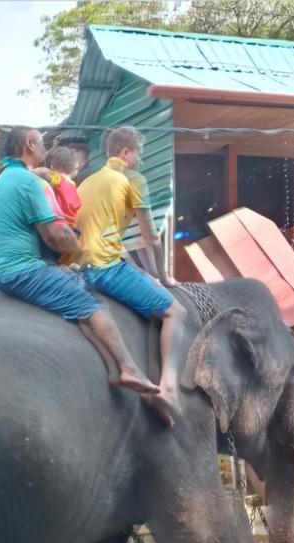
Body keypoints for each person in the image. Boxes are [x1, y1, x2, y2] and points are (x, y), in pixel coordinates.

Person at [0, 126, 159, 398]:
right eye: (41, 142)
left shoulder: (5, 179)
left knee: (76, 302)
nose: (44, 147)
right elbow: (55, 234)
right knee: (95, 305)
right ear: (29, 144)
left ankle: (113, 369)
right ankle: (129, 367)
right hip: (24, 270)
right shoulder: (30, 183)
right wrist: (78, 245)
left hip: (4, 268)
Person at [67, 126, 187, 426]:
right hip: (103, 269)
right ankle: (170, 389)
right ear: (125, 152)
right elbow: (152, 238)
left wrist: (143, 275)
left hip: (77, 269)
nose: (139, 160)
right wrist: (164, 276)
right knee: (175, 312)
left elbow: (109, 240)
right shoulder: (132, 179)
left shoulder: (87, 182)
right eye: (138, 154)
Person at [42, 145, 82, 230]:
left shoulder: (58, 180)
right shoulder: (72, 185)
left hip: (60, 225)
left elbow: (44, 172)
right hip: (71, 227)